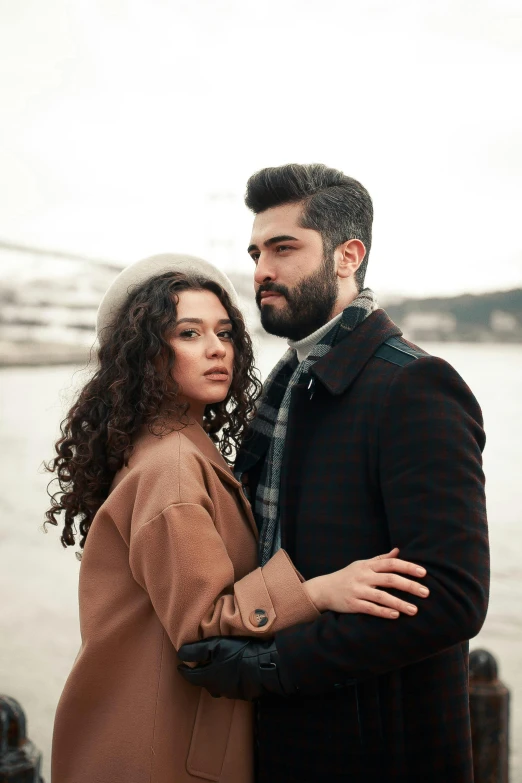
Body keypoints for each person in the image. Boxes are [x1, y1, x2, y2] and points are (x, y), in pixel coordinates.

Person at [46, 253, 429, 783]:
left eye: (224, 333)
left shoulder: (164, 444)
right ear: (143, 354)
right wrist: (320, 591)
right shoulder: (173, 467)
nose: (215, 349)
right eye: (188, 333)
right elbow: (203, 625)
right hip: (164, 752)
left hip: (140, 732)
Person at [178, 165, 490, 783]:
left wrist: (271, 666)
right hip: (284, 739)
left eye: (284, 247)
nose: (262, 268)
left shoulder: (414, 386)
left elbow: (453, 599)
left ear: (349, 256)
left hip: (375, 752)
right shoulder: (289, 381)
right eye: (256, 251)